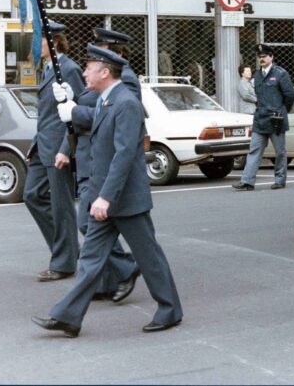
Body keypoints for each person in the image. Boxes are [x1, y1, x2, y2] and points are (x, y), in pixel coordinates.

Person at [32, 45, 183, 338]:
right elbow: (92, 121)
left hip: (124, 200)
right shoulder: (106, 100)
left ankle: (170, 310)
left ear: (104, 72)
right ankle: (68, 317)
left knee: (149, 257)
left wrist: (105, 196)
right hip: (106, 198)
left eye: (89, 67)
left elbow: (125, 155)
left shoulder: (126, 103)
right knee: (89, 261)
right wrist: (71, 109)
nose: (84, 71)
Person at [53, 28, 139, 302]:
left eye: (104, 50)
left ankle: (124, 268)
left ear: (118, 55)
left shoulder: (127, 83)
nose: (96, 57)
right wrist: (67, 146)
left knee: (90, 225)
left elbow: (103, 114)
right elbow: (83, 108)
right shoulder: (97, 84)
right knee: (91, 227)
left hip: (106, 163)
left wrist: (74, 104)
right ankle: (109, 278)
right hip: (91, 158)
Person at [23, 21, 84, 282]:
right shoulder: (48, 69)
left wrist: (65, 149)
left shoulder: (68, 69)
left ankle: (64, 262)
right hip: (43, 146)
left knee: (62, 207)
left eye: (41, 40)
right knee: (32, 195)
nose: (37, 46)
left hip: (59, 149)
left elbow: (78, 111)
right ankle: (68, 249)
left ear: (54, 42)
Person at [233, 44, 294, 191]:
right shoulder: (257, 75)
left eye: (264, 56)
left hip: (276, 118)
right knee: (254, 150)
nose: (261, 59)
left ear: (271, 57)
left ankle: (280, 180)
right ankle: (247, 181)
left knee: (279, 151)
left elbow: (290, 95)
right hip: (261, 118)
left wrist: (282, 110)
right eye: (259, 57)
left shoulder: (280, 74)